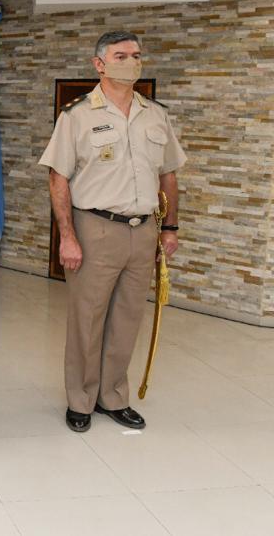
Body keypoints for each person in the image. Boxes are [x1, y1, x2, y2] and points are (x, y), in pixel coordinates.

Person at [40, 31, 185, 432]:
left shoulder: (155, 114)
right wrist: (68, 236)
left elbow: (168, 175)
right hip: (96, 228)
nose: (132, 62)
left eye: (136, 55)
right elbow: (58, 178)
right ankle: (81, 400)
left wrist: (170, 228)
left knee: (127, 318)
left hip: (144, 230)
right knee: (87, 318)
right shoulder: (76, 115)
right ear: (99, 64)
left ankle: (113, 397)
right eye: (121, 56)